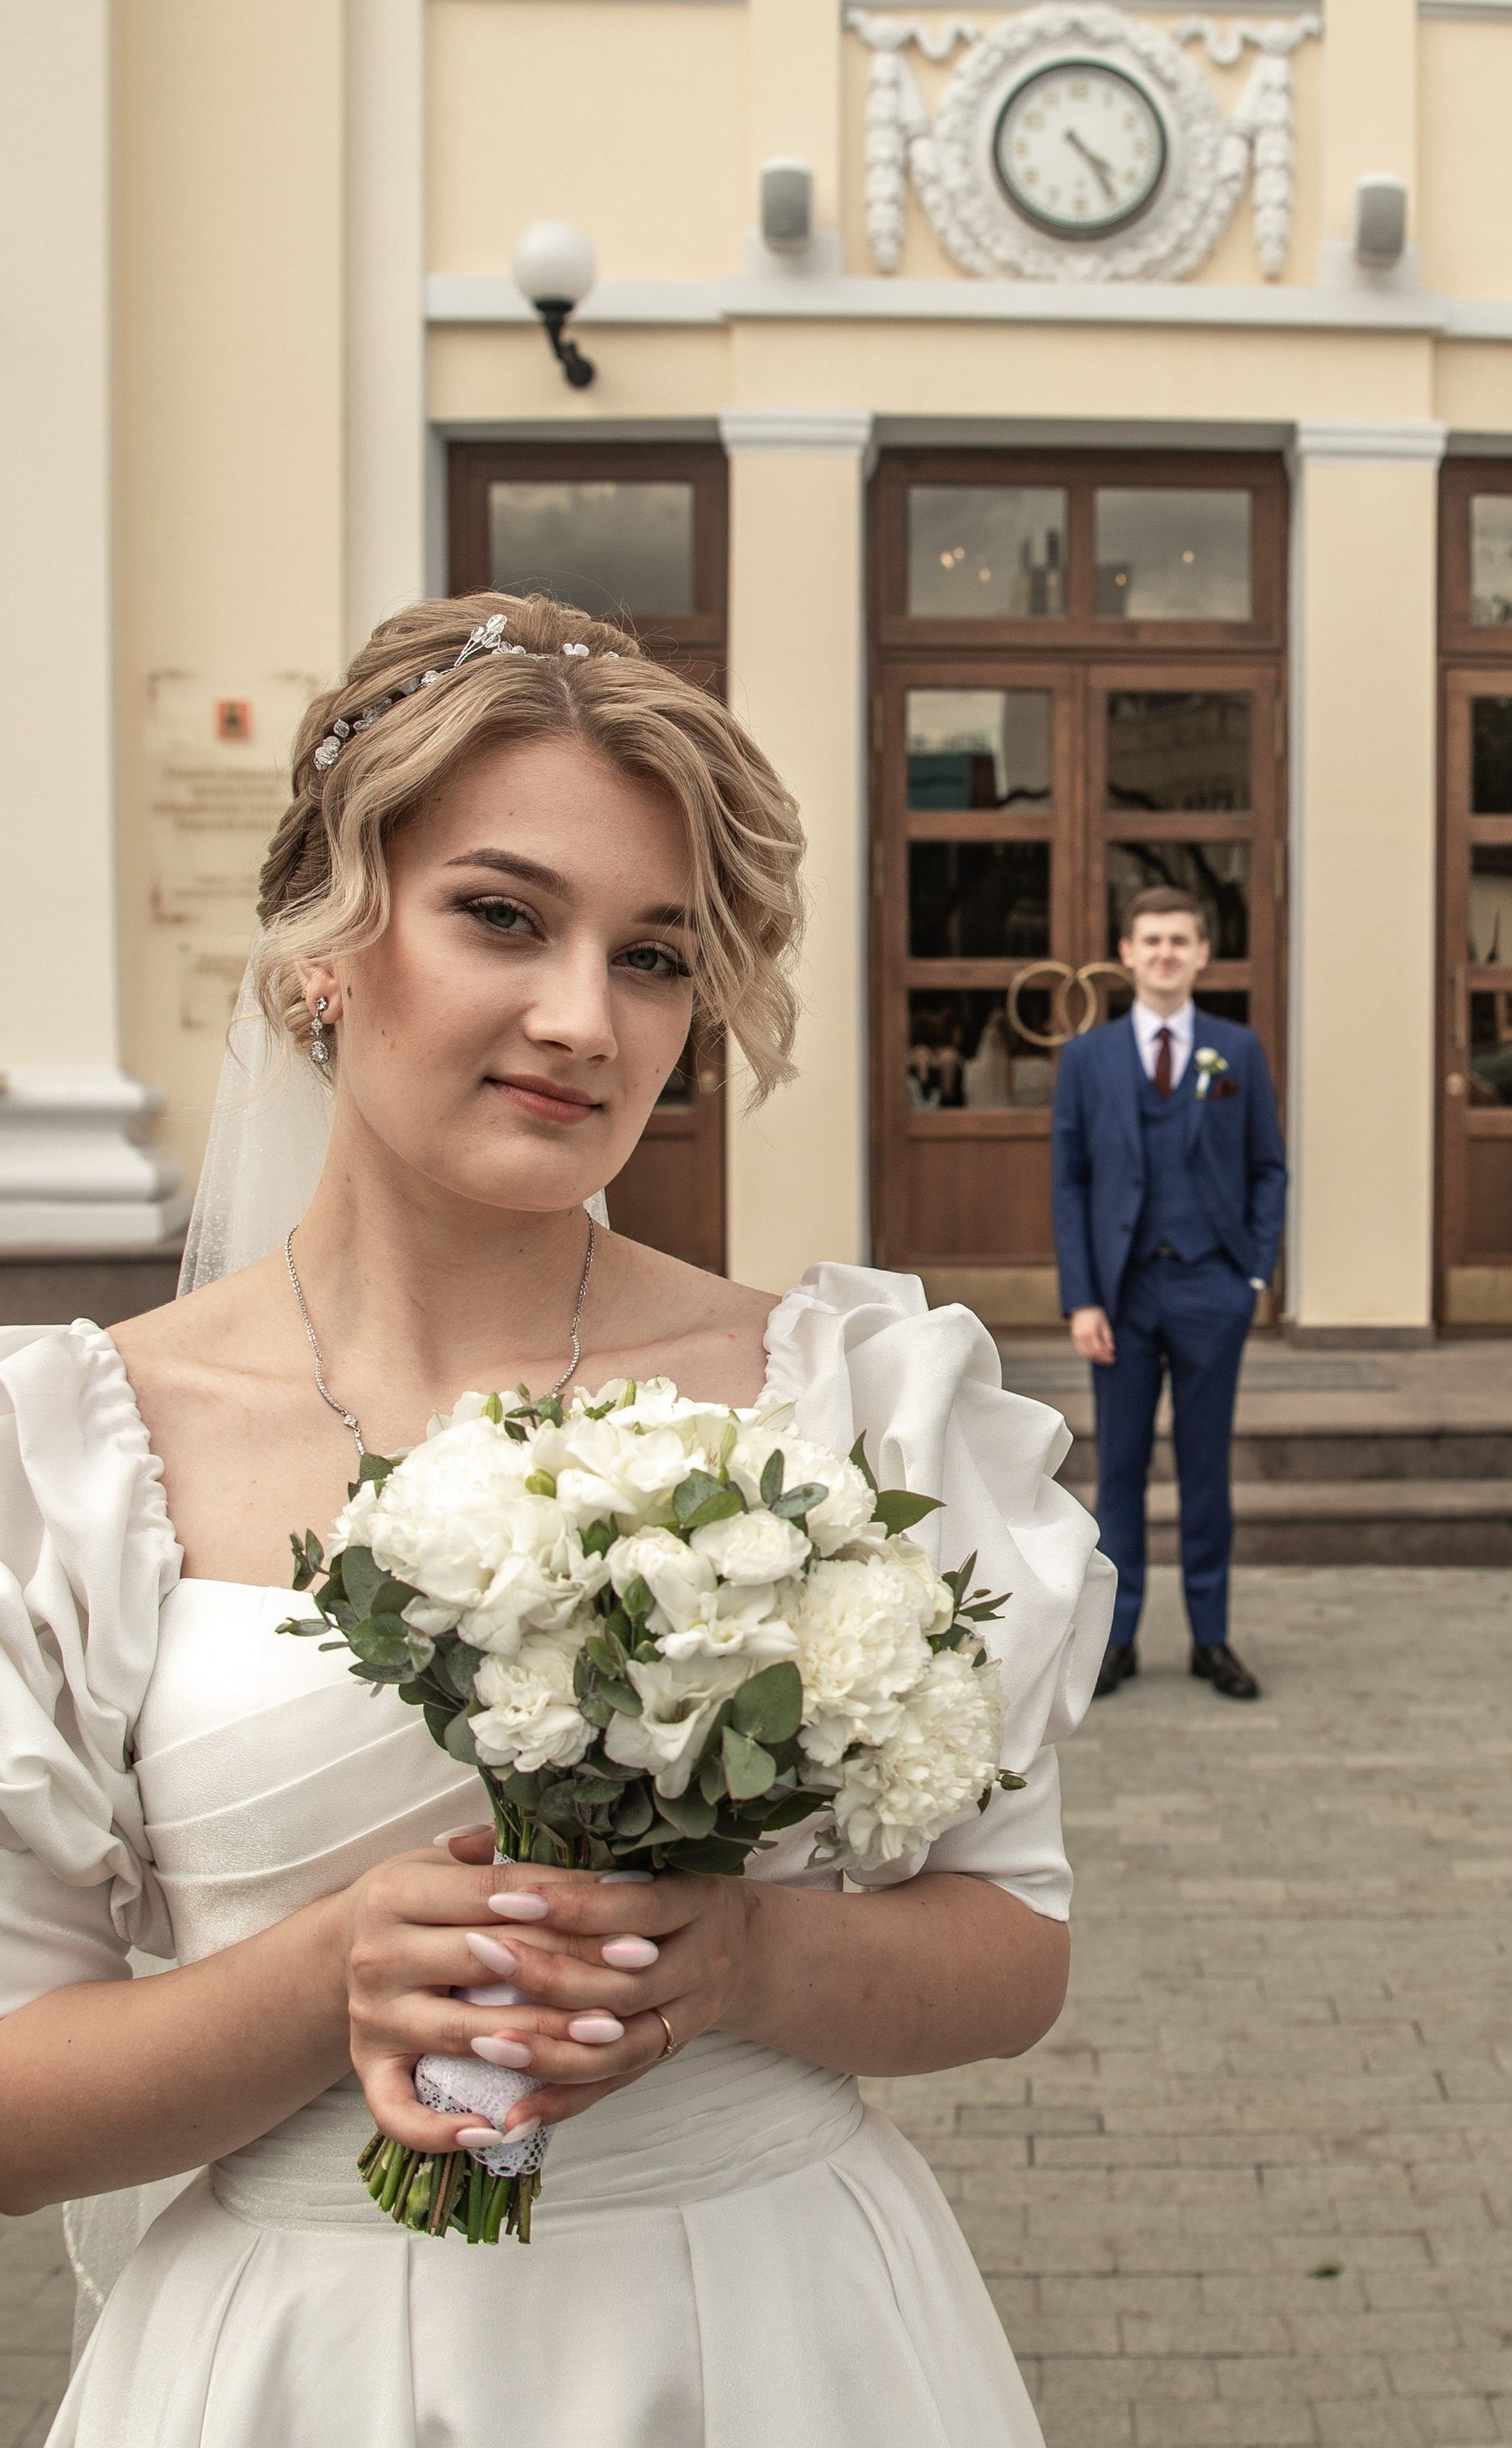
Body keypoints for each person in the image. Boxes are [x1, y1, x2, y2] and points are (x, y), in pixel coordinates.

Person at [0, 593, 1112, 2448]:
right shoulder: (77, 1454)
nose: (584, 1018)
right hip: (304, 2358)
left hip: (773, 2334)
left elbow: (1010, 1942)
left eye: (657, 955)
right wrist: (323, 1971)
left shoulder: (845, 1395)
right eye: (501, 913)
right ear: (325, 945)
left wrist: (750, 1958)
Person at [1048, 886, 1287, 1706]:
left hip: (1209, 1287)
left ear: (1201, 955)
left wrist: (1252, 1274)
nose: (1164, 954)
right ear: (1125, 953)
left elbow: (1266, 1167)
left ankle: (1210, 1638)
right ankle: (1116, 1641)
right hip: (1119, 1294)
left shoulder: (1238, 1051)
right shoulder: (1087, 1060)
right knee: (1118, 1469)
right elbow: (1071, 1183)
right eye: (1150, 940)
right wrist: (1081, 1298)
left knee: (1205, 1468)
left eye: (1179, 940)